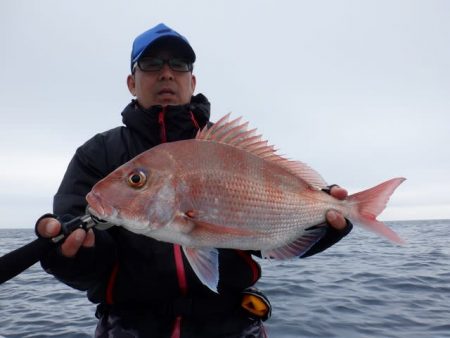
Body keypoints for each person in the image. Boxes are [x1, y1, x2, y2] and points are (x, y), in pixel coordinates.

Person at [36, 23, 352, 338]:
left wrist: (321, 223)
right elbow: (80, 248)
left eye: (178, 64)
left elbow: (266, 240)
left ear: (193, 79)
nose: (166, 73)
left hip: (232, 323)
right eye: (151, 64)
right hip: (129, 325)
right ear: (132, 82)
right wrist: (70, 255)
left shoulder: (226, 148)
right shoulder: (98, 154)